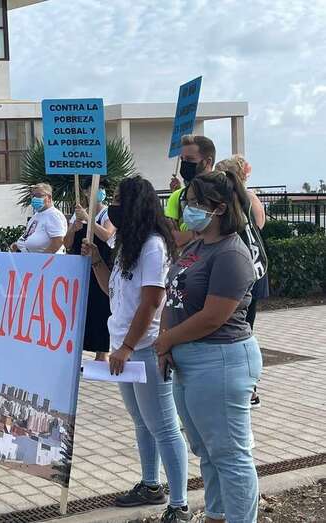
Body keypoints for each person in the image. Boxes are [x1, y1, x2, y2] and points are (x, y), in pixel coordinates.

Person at [155, 170, 262, 523]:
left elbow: (213, 317)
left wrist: (167, 339)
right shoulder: (197, 246)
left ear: (219, 208)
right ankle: (217, 515)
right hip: (189, 361)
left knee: (231, 456)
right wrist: (166, 343)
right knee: (208, 452)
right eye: (188, 202)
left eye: (195, 203)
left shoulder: (232, 254)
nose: (187, 209)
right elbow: (173, 295)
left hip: (220, 360)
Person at [82, 176, 191, 522]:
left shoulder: (154, 246)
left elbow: (151, 301)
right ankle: (150, 484)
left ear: (134, 206)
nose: (112, 206)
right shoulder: (128, 244)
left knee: (164, 426)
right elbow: (113, 291)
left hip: (143, 349)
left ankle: (180, 505)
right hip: (124, 347)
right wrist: (97, 261)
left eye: (118, 200)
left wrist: (128, 346)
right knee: (142, 422)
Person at [216, 155, 268, 409]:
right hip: (255, 267)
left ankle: (249, 389)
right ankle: (246, 387)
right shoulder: (249, 198)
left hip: (243, 268)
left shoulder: (236, 200)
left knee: (240, 329)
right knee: (245, 326)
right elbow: (260, 224)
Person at [64, 180, 115, 361]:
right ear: (85, 192)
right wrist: (73, 228)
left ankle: (102, 355)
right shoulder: (78, 214)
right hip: (81, 270)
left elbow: (107, 235)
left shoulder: (107, 213)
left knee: (102, 310)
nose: (99, 191)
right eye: (94, 188)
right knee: (83, 311)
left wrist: (88, 218)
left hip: (101, 267)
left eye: (101, 188)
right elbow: (67, 244)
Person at [165, 135, 216, 247]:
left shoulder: (222, 193)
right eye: (182, 160)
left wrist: (188, 235)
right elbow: (172, 239)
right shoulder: (178, 196)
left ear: (208, 162)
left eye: (190, 159)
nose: (184, 164)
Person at [10, 183, 67, 254]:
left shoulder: (53, 215)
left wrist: (42, 258)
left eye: (39, 195)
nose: (35, 198)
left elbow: (58, 241)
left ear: (49, 198)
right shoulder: (37, 215)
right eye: (33, 196)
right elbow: (30, 235)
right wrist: (18, 245)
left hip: (48, 259)